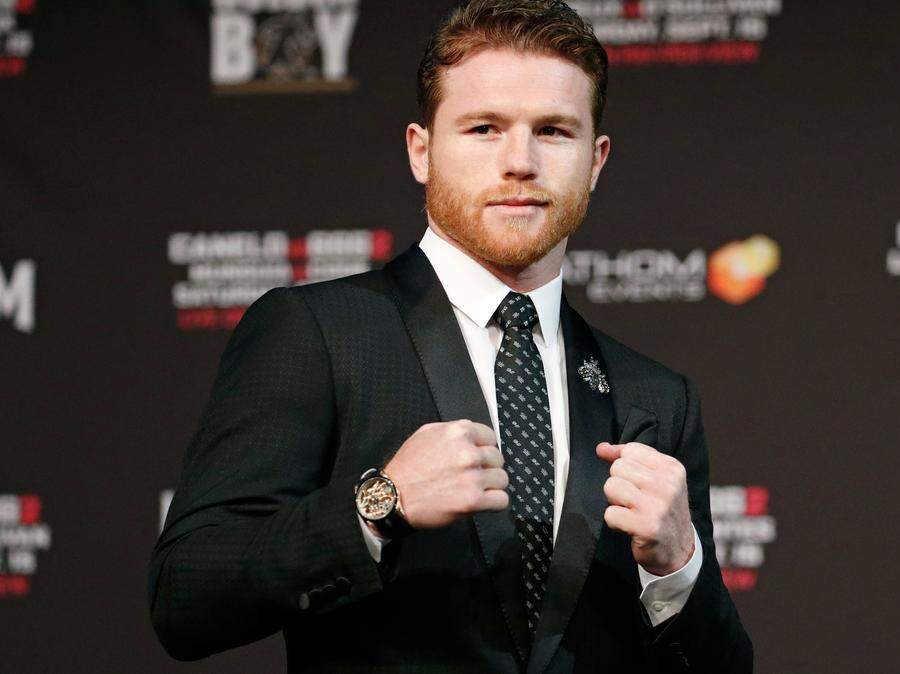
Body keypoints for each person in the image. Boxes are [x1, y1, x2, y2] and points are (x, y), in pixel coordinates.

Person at [148, 1, 755, 672]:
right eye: (484, 128)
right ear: (421, 150)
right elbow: (186, 596)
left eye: (553, 130)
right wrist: (379, 505)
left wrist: (679, 568)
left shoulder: (656, 397)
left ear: (595, 160)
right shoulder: (319, 333)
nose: (519, 161)